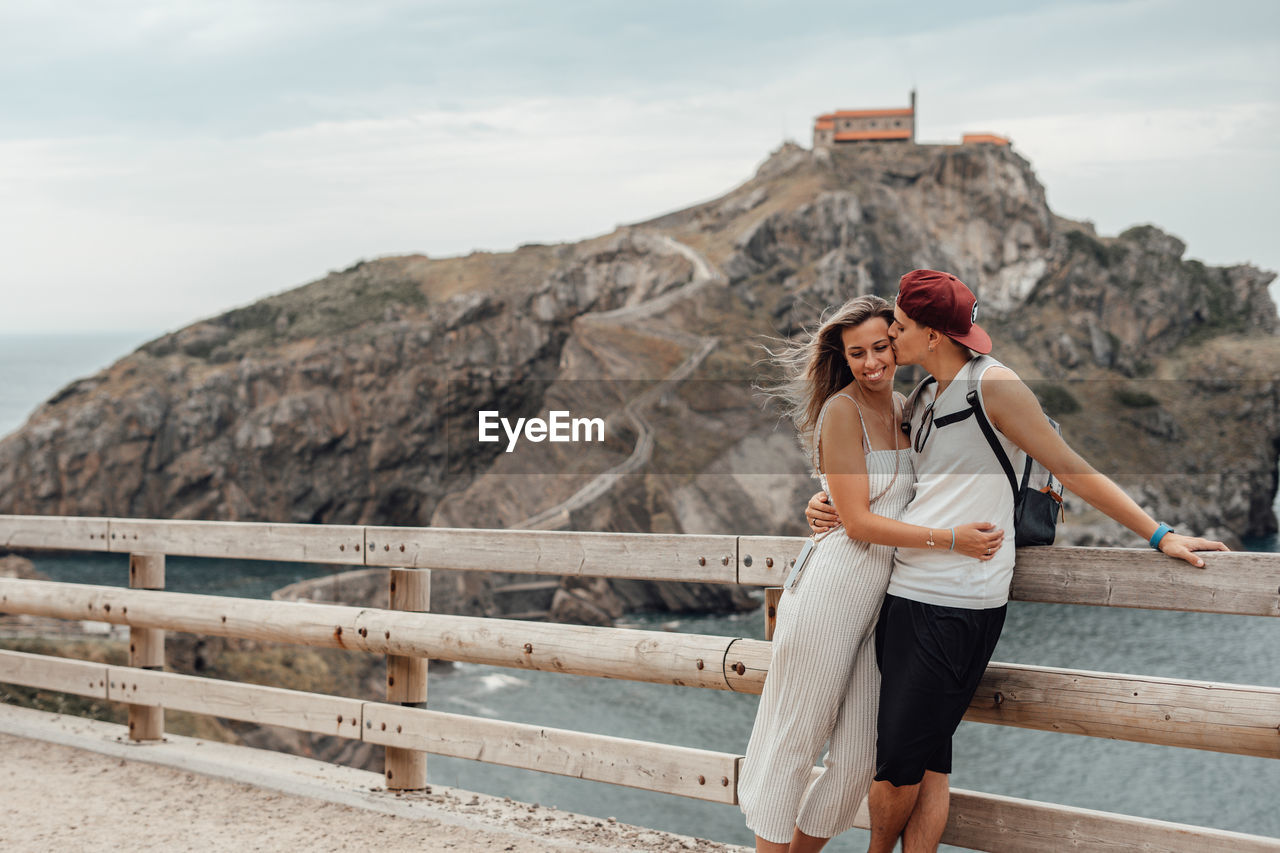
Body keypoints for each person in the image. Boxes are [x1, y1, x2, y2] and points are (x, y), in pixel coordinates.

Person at [804, 269, 1229, 853]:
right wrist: (826, 498)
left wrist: (1161, 535)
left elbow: (1073, 467)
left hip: (960, 604)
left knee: (896, 764)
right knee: (928, 762)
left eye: (897, 328)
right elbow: (888, 476)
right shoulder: (924, 396)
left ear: (931, 335)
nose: (889, 340)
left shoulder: (994, 387)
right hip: (905, 596)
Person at [739, 294, 1007, 853]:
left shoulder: (910, 410)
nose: (870, 362)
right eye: (856, 353)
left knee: (861, 757)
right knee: (796, 741)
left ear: (897, 341)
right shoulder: (842, 410)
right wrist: (952, 540)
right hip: (829, 595)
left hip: (882, 605)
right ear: (842, 358)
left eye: (880, 347)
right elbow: (858, 522)